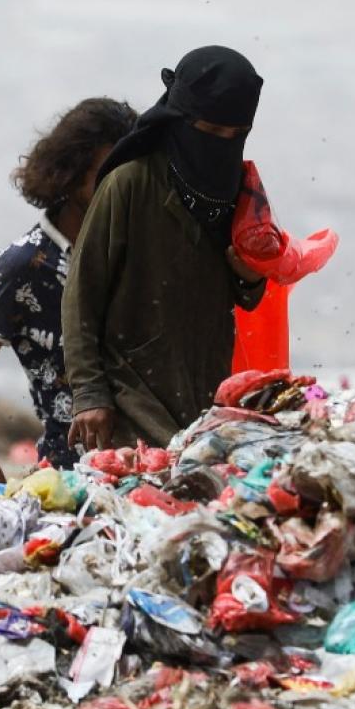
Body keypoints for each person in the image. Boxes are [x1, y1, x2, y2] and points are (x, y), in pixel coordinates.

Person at [64, 46, 268, 451]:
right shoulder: (129, 185)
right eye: (209, 131)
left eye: (234, 135)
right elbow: (81, 294)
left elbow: (245, 293)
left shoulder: (237, 192)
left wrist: (249, 277)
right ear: (180, 119)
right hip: (130, 404)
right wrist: (89, 394)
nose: (221, 145)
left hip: (205, 405)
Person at [0, 97, 139, 483]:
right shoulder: (25, 266)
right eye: (105, 172)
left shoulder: (136, 248)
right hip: (71, 480)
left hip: (149, 467)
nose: (117, 185)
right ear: (70, 173)